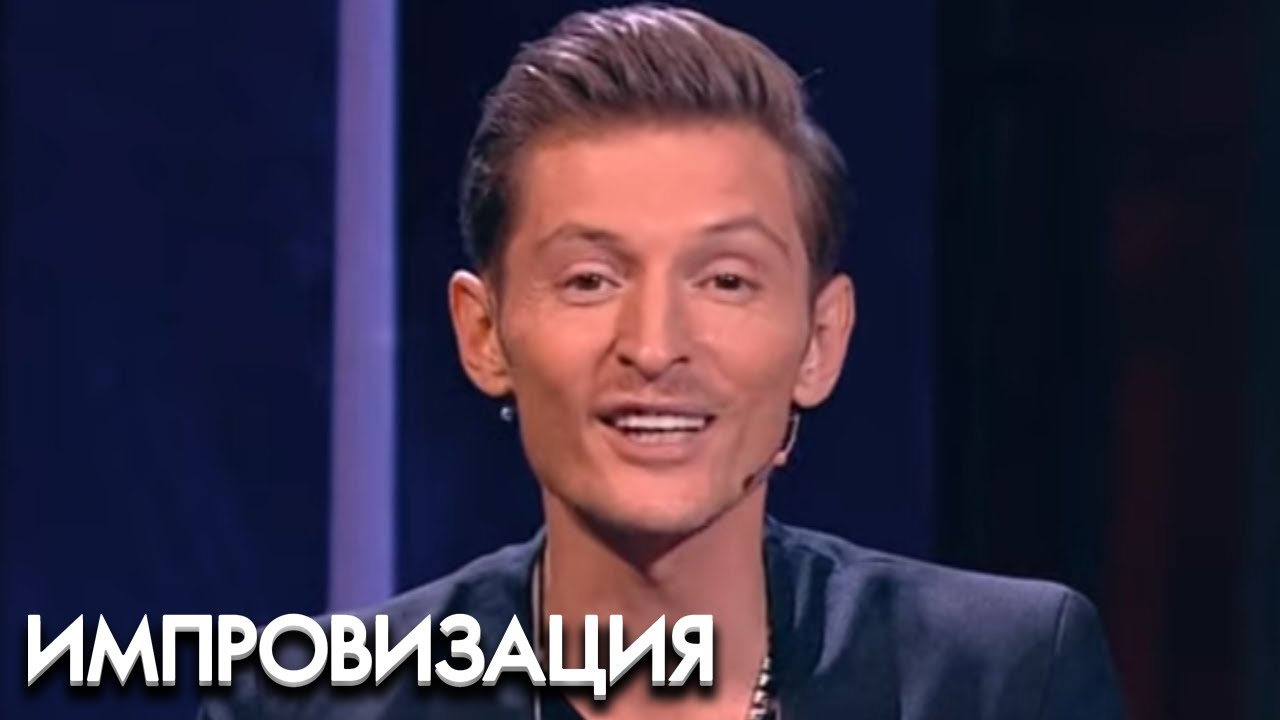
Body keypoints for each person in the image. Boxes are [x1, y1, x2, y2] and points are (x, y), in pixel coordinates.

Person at [200, 4, 1127, 719]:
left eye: (725, 280)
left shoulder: (1000, 680)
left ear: (820, 340)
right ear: (484, 333)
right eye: (590, 280)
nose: (652, 347)